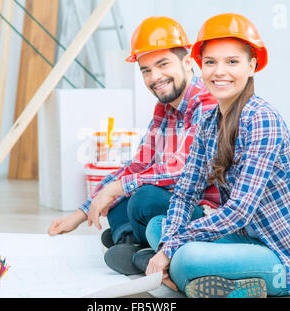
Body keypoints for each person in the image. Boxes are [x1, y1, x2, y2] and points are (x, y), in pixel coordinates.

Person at [144, 13, 290, 298]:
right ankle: (200, 276)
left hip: (283, 253)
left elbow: (239, 211)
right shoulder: (209, 124)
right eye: (210, 62)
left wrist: (171, 249)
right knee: (157, 227)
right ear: (201, 67)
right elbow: (185, 194)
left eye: (232, 62)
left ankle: (193, 274)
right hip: (246, 237)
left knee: (185, 258)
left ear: (252, 65)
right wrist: (167, 243)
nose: (219, 72)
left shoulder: (262, 119)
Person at [47, 16, 220, 275]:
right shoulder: (164, 109)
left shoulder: (207, 103)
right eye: (146, 70)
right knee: (119, 197)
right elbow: (138, 164)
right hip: (177, 203)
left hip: (205, 211)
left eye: (162, 65)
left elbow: (184, 170)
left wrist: (118, 188)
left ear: (186, 62)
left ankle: (129, 239)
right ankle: (133, 245)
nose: (154, 77)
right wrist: (82, 212)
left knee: (142, 197)